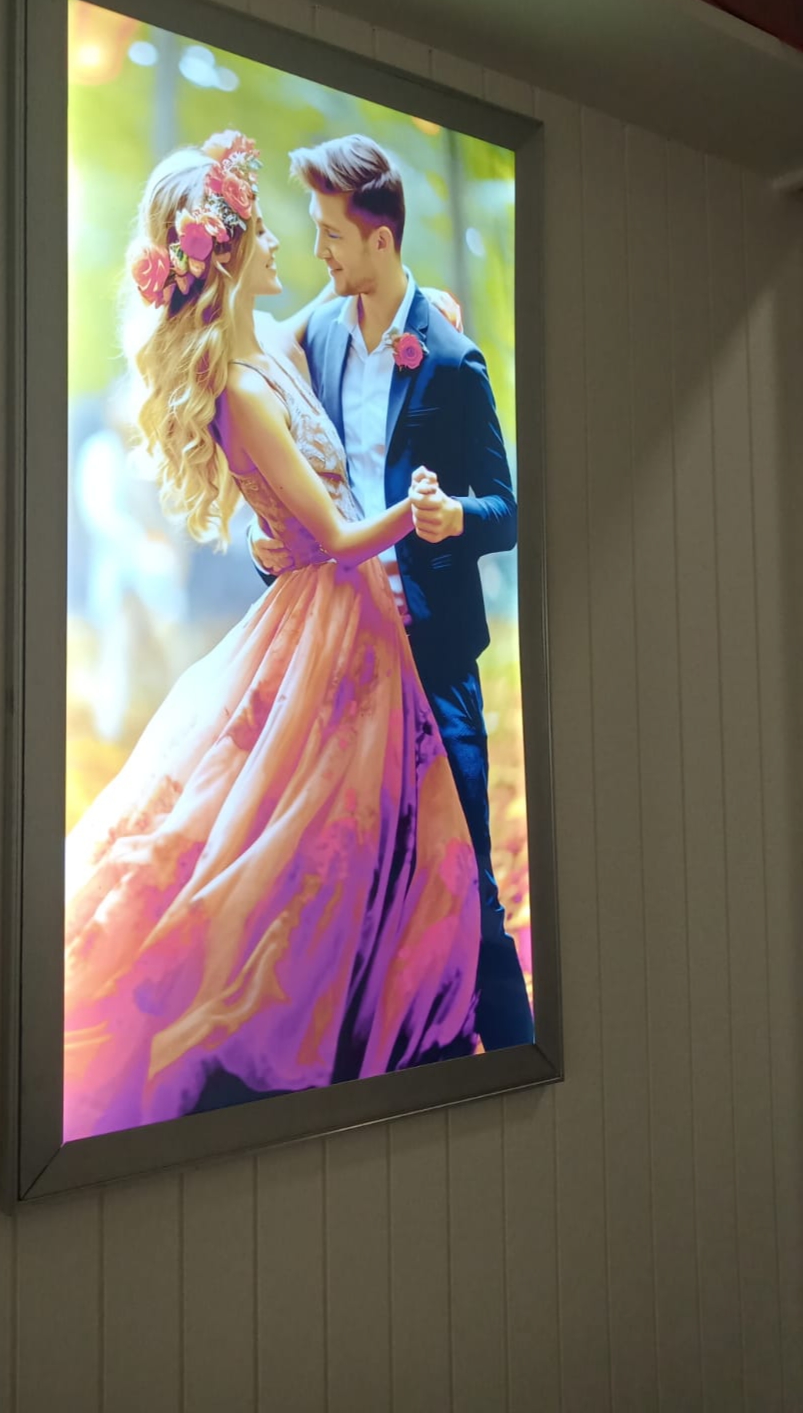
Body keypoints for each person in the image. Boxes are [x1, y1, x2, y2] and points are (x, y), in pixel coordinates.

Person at [62, 131, 482, 1141]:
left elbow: (329, 318)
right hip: (330, 619)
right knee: (305, 829)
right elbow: (334, 536)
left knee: (341, 825)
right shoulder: (244, 392)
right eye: (261, 228)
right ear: (234, 255)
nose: (286, 242)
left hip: (349, 617)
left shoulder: (267, 350)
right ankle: (302, 1031)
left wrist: (420, 309)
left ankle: (366, 1002)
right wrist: (419, 507)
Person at [274, 133, 534, 1051]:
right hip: (345, 655)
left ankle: (516, 1053)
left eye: (331, 234)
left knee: (468, 868)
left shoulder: (453, 360)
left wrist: (452, 518)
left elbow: (507, 511)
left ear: (379, 241)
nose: (317, 250)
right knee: (358, 874)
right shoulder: (316, 340)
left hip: (434, 652)